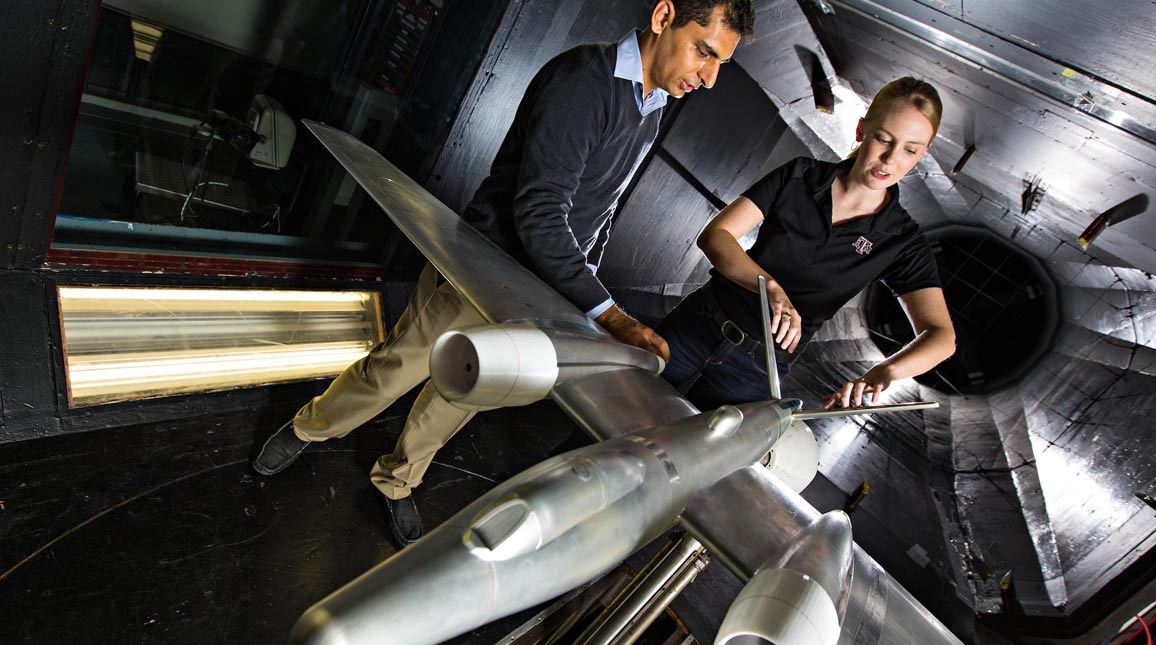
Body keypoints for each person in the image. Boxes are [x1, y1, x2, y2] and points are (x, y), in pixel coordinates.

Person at [252, 0, 755, 548]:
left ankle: (397, 481)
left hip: (541, 295)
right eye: (704, 53)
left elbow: (601, 206)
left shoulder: (653, 100)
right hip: (481, 271)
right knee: (394, 371)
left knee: (461, 397)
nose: (707, 78)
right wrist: (610, 315)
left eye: (719, 65)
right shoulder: (584, 83)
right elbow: (539, 214)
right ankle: (311, 427)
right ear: (664, 18)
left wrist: (583, 288)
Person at [658, 76, 956, 411]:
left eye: (910, 150)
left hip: (757, 370)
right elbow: (716, 236)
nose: (890, 159)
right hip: (696, 324)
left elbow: (941, 337)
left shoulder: (903, 240)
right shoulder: (799, 176)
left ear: (923, 153)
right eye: (884, 139)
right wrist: (769, 287)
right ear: (862, 130)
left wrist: (885, 371)